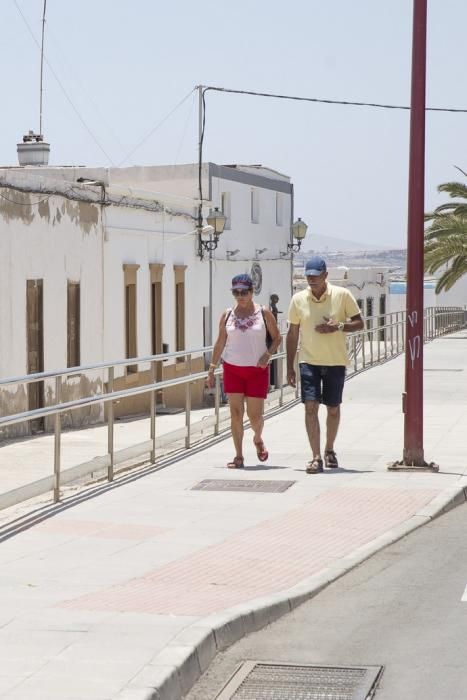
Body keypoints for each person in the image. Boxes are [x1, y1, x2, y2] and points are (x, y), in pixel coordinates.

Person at [286, 256, 364, 474]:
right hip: (308, 361)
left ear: (325, 275)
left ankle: (329, 449)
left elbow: (359, 323)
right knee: (310, 406)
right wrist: (289, 367)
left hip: (335, 361)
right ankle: (316, 457)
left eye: (315, 275)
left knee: (333, 408)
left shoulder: (342, 295)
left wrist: (337, 326)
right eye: (308, 275)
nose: (311, 279)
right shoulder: (298, 299)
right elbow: (292, 333)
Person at [208, 273, 281, 468]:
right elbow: (220, 342)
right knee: (235, 413)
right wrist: (211, 368)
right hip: (232, 369)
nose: (240, 296)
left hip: (257, 370)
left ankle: (257, 438)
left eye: (244, 292)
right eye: (236, 292)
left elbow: (277, 338)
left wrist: (267, 355)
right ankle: (238, 455)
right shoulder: (228, 315)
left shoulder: (264, 313)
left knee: (255, 416)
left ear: (252, 291)